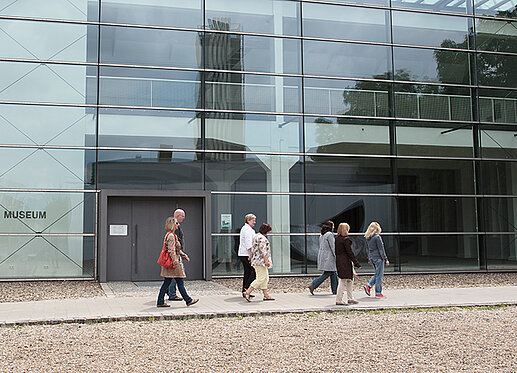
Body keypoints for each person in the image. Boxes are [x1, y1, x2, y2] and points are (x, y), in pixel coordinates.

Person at [157, 217, 199, 307]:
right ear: (173, 225)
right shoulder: (171, 236)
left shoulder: (170, 235)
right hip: (174, 264)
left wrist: (184, 256)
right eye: (176, 223)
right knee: (179, 282)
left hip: (172, 263)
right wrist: (175, 262)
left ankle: (160, 301)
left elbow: (176, 250)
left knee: (167, 283)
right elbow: (172, 251)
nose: (177, 225)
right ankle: (188, 300)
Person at [243, 223, 274, 302]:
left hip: (256, 261)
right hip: (260, 262)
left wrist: (250, 257)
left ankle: (266, 295)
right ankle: (247, 292)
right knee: (261, 278)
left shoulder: (256, 236)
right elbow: (263, 251)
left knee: (265, 278)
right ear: (266, 231)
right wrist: (266, 261)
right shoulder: (262, 238)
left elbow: (253, 249)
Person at [308, 221, 337, 295]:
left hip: (323, 255)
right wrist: (336, 256)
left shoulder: (322, 235)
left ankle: (335, 290)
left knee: (333, 272)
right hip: (329, 256)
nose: (334, 227)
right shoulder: (330, 235)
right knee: (329, 272)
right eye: (333, 226)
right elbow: (333, 246)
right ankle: (313, 284)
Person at [335, 223, 361, 305]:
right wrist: (356, 263)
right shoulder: (346, 240)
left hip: (339, 260)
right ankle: (339, 299)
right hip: (345, 261)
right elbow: (350, 252)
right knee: (343, 280)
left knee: (349, 279)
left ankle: (350, 298)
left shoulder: (337, 239)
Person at [363, 221, 389, 298]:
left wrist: (369, 258)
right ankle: (377, 292)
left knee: (377, 274)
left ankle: (369, 286)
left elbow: (367, 249)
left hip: (372, 257)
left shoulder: (368, 237)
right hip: (378, 258)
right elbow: (381, 249)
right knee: (379, 276)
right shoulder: (377, 237)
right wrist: (385, 259)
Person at [167, 209, 186, 301]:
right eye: (183, 216)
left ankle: (169, 291)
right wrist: (177, 257)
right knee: (178, 274)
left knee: (173, 276)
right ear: (178, 216)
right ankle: (172, 293)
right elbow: (173, 244)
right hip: (176, 255)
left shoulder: (176, 226)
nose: (183, 218)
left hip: (178, 254)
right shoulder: (175, 227)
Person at [238, 213, 257, 298]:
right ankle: (246, 289)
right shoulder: (247, 229)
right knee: (253, 272)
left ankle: (244, 290)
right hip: (246, 254)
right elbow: (248, 243)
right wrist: (250, 255)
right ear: (248, 221)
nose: (254, 222)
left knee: (248, 272)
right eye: (253, 220)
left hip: (244, 253)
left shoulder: (246, 228)